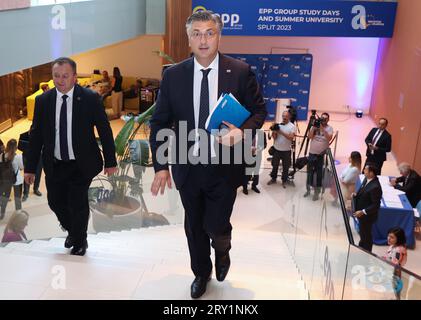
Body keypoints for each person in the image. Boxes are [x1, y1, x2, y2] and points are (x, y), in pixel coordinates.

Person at [149, 11, 266, 299]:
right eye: (197, 33)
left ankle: (222, 248)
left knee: (215, 225)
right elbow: (159, 122)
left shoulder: (239, 71)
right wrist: (161, 165)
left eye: (209, 32)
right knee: (193, 226)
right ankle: (201, 273)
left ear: (219, 35)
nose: (203, 39)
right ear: (188, 38)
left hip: (225, 167)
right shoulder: (173, 75)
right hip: (187, 167)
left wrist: (243, 131)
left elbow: (259, 112)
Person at [24, 57, 117, 256]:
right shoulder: (43, 101)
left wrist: (111, 161)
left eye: (65, 76)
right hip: (55, 163)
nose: (60, 80)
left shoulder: (90, 98)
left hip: (82, 163)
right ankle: (74, 232)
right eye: (56, 76)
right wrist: (30, 167)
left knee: (77, 201)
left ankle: (80, 240)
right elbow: (36, 135)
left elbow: (105, 130)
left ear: (74, 77)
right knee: (55, 202)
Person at [352, 163, 383, 252]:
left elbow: (376, 205)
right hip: (361, 214)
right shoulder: (366, 179)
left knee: (366, 235)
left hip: (367, 217)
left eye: (366, 169)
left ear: (371, 173)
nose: (364, 171)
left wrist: (363, 211)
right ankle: (361, 247)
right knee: (363, 233)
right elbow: (363, 190)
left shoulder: (375, 187)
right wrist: (356, 195)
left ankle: (367, 252)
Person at [304, 112, 333, 200]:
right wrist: (314, 128)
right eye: (322, 118)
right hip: (312, 153)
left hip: (320, 155)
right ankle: (308, 190)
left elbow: (329, 138)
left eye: (325, 119)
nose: (323, 120)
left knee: (319, 175)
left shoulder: (329, 128)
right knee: (309, 173)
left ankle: (317, 193)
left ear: (328, 120)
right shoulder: (315, 126)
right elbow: (309, 137)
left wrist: (322, 129)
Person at [267, 111, 295, 188]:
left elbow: (291, 138)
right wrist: (274, 131)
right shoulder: (278, 125)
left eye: (286, 116)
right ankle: (273, 178)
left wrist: (280, 131)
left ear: (289, 117)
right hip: (277, 149)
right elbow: (275, 138)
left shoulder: (292, 126)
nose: (284, 118)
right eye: (283, 116)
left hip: (286, 151)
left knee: (286, 167)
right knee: (274, 165)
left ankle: (284, 180)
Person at [0, 139, 24, 218]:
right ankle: (18, 214)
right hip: (17, 180)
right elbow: (21, 167)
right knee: (17, 199)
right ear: (16, 147)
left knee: (5, 198)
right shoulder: (18, 156)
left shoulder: (1, 156)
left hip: (6, 181)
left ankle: (2, 213)